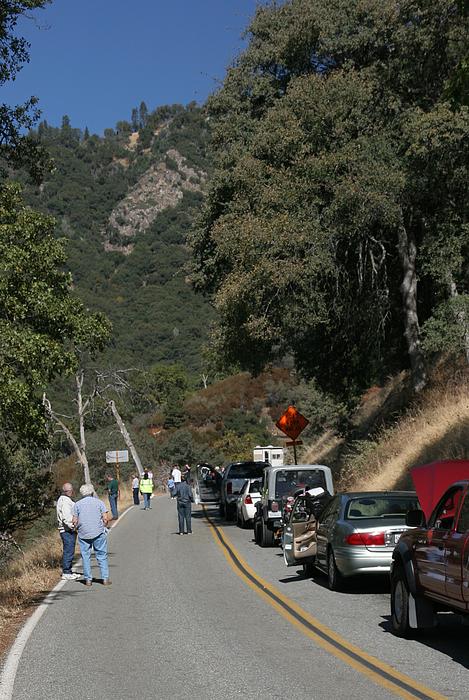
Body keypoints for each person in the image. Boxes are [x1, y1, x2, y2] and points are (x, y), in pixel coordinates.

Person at [72, 484, 111, 587]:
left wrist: (77, 527)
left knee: (85, 556)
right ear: (92, 492)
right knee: (101, 555)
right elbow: (105, 518)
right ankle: (105, 578)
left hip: (83, 533)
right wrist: (104, 526)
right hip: (98, 532)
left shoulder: (77, 505)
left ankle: (88, 579)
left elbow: (74, 521)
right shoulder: (99, 502)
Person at [56, 483, 81, 580]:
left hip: (67, 529)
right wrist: (72, 527)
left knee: (70, 550)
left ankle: (68, 571)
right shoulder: (65, 501)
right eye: (67, 491)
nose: (70, 492)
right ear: (64, 491)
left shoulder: (65, 500)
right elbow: (66, 517)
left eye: (70, 490)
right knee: (68, 550)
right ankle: (66, 572)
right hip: (67, 530)